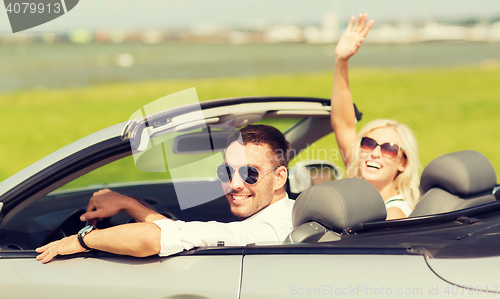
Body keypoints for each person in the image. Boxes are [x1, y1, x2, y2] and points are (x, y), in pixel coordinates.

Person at [36, 124, 294, 263]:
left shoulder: (265, 234)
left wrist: (80, 240)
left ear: (280, 176)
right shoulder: (290, 214)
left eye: (251, 173)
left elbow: (151, 239)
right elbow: (178, 233)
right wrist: (128, 204)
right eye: (226, 172)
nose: (235, 184)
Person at [330, 13, 420, 220]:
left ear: (402, 163)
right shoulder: (361, 172)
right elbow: (343, 124)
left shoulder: (395, 212)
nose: (375, 153)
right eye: (369, 143)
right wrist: (341, 61)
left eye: (389, 149)